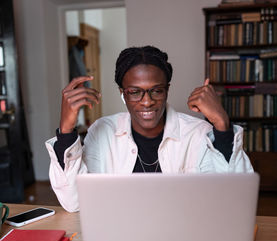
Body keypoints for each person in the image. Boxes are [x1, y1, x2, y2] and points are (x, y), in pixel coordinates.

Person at [45, 45, 253, 212]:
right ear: (123, 93)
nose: (147, 102)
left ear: (167, 90)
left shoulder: (198, 132)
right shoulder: (103, 132)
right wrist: (66, 130)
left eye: (156, 91)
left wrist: (222, 125)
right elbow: (73, 202)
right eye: (135, 92)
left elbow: (233, 200)